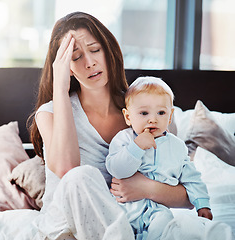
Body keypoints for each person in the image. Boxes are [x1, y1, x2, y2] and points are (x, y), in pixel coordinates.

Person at [24, 11, 193, 239]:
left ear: (108, 49)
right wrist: (60, 90)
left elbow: (190, 196)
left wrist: (145, 188)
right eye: (76, 57)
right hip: (66, 230)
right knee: (79, 177)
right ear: (67, 68)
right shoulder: (50, 113)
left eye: (95, 50)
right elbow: (66, 170)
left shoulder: (148, 112)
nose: (90, 62)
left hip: (131, 227)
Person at [106, 76, 213, 239]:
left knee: (165, 226)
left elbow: (192, 179)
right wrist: (137, 147)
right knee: (115, 231)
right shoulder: (124, 139)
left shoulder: (176, 147)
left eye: (161, 112)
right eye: (144, 113)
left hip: (158, 210)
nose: (153, 119)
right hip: (125, 208)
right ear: (128, 117)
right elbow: (116, 169)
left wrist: (202, 204)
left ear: (170, 117)